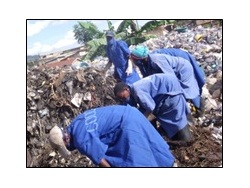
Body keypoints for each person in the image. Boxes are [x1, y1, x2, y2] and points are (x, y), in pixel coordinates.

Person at [48, 105, 175, 167]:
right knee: (151, 144)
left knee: (136, 159)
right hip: (131, 113)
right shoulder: (77, 122)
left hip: (126, 127)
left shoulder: (80, 140)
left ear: (65, 140)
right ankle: (169, 164)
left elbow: (102, 161)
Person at [114, 73, 194, 142]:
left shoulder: (137, 91)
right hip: (170, 87)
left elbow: (150, 108)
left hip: (170, 93)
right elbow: (140, 107)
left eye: (121, 96)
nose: (122, 99)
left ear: (126, 89)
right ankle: (178, 135)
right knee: (173, 117)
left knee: (175, 118)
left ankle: (187, 139)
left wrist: (143, 119)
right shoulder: (133, 91)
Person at [130, 45, 204, 115]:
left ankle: (199, 107)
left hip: (183, 69)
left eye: (134, 59)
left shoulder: (157, 60)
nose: (133, 61)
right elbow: (148, 77)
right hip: (174, 72)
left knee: (188, 90)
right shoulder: (143, 65)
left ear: (140, 59)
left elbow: (171, 78)